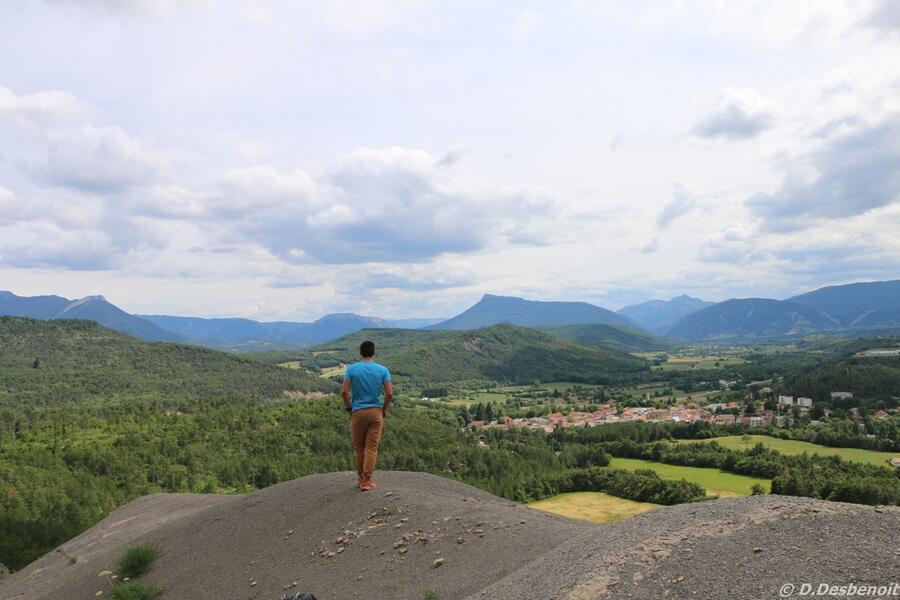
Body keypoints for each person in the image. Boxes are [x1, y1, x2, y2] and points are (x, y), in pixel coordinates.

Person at [342, 340, 393, 491]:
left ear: (360, 353)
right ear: (374, 353)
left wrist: (349, 409)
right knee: (371, 448)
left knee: (359, 448)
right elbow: (389, 393)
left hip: (357, 412)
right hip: (376, 412)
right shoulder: (383, 370)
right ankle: (367, 480)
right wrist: (383, 409)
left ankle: (360, 480)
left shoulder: (352, 369)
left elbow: (344, 391)